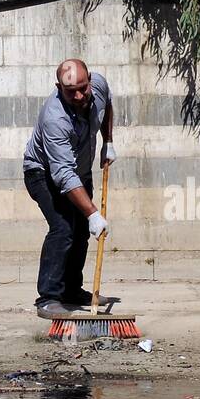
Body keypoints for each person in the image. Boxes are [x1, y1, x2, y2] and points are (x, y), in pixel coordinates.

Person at [23, 58, 117, 319]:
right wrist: (93, 213)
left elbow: (106, 103)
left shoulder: (97, 85)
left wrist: (107, 141)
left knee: (80, 234)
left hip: (80, 171)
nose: (78, 95)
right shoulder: (55, 117)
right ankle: (49, 297)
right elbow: (63, 175)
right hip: (42, 173)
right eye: (70, 91)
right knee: (64, 227)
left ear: (89, 80)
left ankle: (72, 291)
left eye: (82, 88)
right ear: (58, 87)